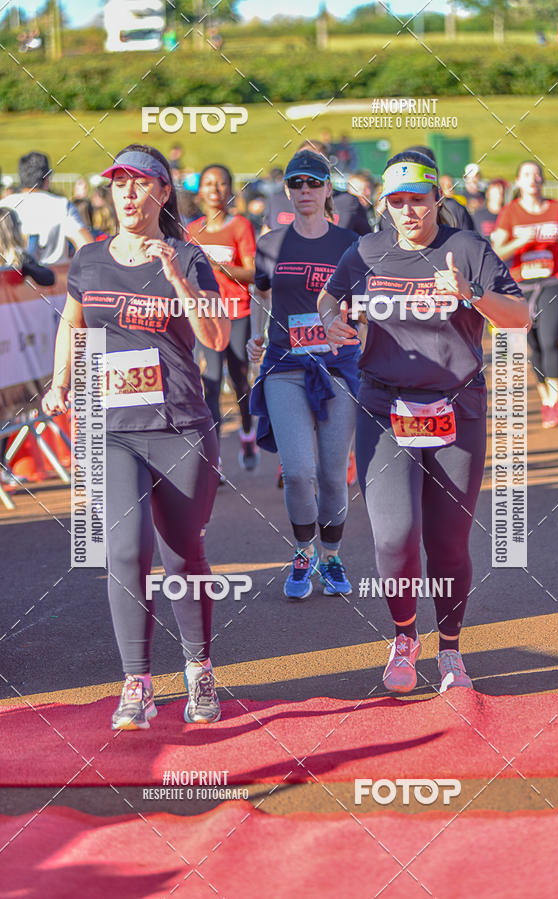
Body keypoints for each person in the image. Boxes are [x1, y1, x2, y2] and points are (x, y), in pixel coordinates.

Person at [318, 149, 530, 693]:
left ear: (437, 198)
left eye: (418, 199)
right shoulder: (366, 250)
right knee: (395, 537)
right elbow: (329, 295)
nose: (408, 210)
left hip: (456, 409)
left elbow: (520, 315)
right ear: (384, 204)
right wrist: (330, 320)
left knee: (449, 542)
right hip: (384, 408)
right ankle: (404, 637)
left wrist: (472, 294)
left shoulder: (465, 248)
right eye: (398, 201)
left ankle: (452, 651)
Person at [41, 144, 230, 730]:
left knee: (183, 553)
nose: (126, 194)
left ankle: (198, 671)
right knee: (125, 553)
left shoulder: (191, 258)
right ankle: (137, 684)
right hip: (112, 430)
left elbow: (218, 337)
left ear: (162, 193)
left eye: (139, 183)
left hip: (179, 427)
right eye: (118, 184)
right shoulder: (90, 260)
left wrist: (174, 274)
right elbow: (72, 325)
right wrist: (59, 384)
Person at [248, 149, 359, 600]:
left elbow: (366, 303)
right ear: (288, 190)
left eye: (314, 182)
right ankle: (302, 550)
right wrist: (255, 337)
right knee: (297, 472)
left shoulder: (350, 243)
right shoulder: (271, 242)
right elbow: (261, 293)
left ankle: (331, 556)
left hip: (336, 367)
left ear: (329, 188)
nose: (306, 191)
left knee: (333, 475)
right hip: (284, 365)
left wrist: (355, 335)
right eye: (297, 183)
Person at [493, 161, 558, 426]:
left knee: (550, 339)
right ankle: (544, 397)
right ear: (518, 181)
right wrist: (522, 240)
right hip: (520, 287)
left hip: (552, 282)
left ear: (542, 181)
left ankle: (555, 402)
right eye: (527, 174)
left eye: (538, 174)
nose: (534, 179)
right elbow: (498, 251)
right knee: (534, 346)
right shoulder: (510, 212)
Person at [187, 165, 258, 471]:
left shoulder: (240, 226)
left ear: (230, 190)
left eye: (222, 183)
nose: (215, 189)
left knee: (240, 379)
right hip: (208, 317)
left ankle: (246, 432)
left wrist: (219, 267)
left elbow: (253, 272)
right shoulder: (191, 231)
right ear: (200, 191)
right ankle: (213, 460)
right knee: (211, 384)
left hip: (237, 313)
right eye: (209, 183)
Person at [262, 141, 371, 236]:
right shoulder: (276, 200)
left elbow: (365, 244)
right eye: (301, 160)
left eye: (315, 162)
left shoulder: (348, 202)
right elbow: (265, 242)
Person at [2, 152, 93, 265]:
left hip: (10, 278)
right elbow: (88, 248)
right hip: (55, 278)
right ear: (47, 178)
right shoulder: (61, 205)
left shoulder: (4, 204)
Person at [0, 206, 55, 286]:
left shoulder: (18, 256)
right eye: (18, 224)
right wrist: (26, 265)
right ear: (13, 230)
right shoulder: (19, 257)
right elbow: (49, 279)